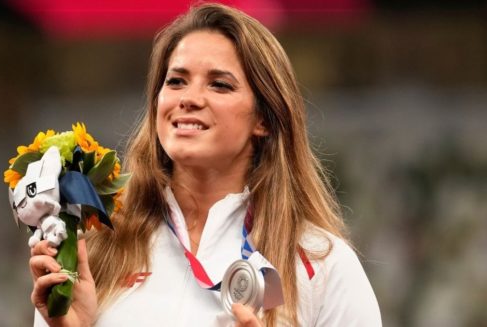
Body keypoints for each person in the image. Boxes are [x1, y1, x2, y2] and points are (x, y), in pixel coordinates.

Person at [29, 3, 381, 326]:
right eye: (176, 81)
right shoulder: (97, 247)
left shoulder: (321, 264)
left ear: (263, 118)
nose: (189, 99)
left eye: (219, 85)